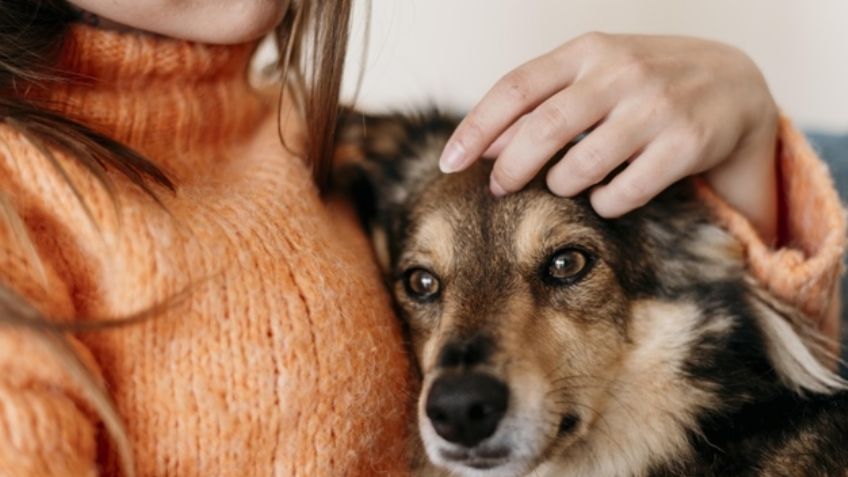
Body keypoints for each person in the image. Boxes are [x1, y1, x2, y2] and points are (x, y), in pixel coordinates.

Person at [0, 1, 842, 476]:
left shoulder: (343, 149)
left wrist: (743, 131)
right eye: (423, 287)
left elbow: (753, 370)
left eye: (564, 264)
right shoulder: (18, 198)